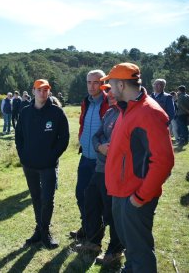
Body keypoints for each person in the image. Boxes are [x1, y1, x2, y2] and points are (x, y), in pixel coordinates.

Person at [102, 62, 174, 272]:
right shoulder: (127, 109)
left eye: (111, 84)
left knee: (140, 250)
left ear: (122, 85)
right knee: (131, 245)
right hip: (121, 192)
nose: (109, 89)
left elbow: (163, 162)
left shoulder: (149, 112)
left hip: (134, 196)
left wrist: (141, 197)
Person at [15, 79, 69, 249]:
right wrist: (23, 157)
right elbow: (19, 138)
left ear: (49, 92)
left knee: (48, 199)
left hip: (48, 165)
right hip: (29, 165)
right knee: (36, 198)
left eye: (46, 90)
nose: (42, 93)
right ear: (33, 91)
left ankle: (44, 232)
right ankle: (39, 230)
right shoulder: (25, 113)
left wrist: (52, 157)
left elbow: (64, 138)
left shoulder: (56, 113)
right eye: (39, 89)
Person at [74, 84, 124, 265]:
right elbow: (97, 136)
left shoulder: (125, 114)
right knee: (90, 202)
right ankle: (94, 242)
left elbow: (116, 143)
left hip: (115, 171)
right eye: (107, 91)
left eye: (112, 90)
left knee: (112, 212)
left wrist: (104, 145)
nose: (109, 94)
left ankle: (115, 250)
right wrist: (99, 146)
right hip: (100, 169)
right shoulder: (110, 112)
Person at [71, 69, 110, 240]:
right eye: (89, 82)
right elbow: (82, 123)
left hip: (101, 161)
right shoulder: (86, 102)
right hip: (85, 157)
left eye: (96, 82)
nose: (91, 86)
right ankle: (87, 226)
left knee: (97, 200)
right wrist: (81, 137)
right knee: (81, 194)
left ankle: (94, 233)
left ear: (103, 84)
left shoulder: (109, 102)